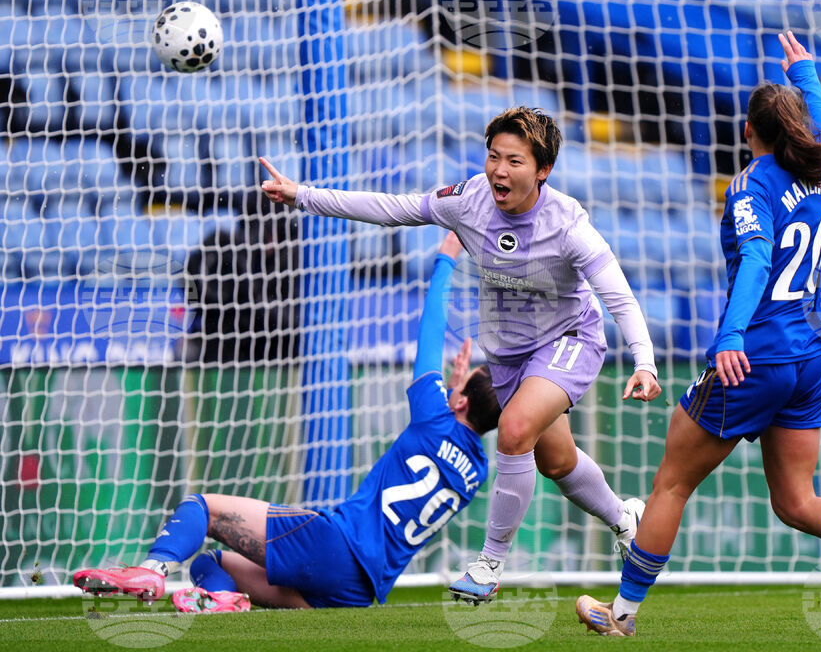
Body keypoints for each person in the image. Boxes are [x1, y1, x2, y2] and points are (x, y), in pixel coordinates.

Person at [576, 32, 821, 638]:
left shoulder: (751, 185)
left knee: (672, 481)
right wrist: (808, 76)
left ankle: (621, 616)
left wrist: (730, 336)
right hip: (810, 356)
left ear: (749, 131)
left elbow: (754, 257)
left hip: (757, 354)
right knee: (796, 501)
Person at [259, 105, 662, 604]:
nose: (498, 170)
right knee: (556, 462)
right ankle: (626, 519)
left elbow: (617, 295)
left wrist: (643, 360)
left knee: (514, 430)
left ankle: (488, 564)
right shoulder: (468, 200)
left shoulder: (567, 224)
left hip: (570, 341)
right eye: (493, 156)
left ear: (543, 170)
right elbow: (394, 208)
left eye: (514, 161)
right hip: (510, 356)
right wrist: (304, 196)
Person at [73, 232, 502, 611]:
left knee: (200, 507)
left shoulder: (433, 413)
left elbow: (430, 331)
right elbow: (463, 427)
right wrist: (461, 391)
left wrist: (446, 258)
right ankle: (221, 604)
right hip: (356, 590)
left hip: (334, 544)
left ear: (460, 401)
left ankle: (152, 570)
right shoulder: (477, 471)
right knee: (211, 565)